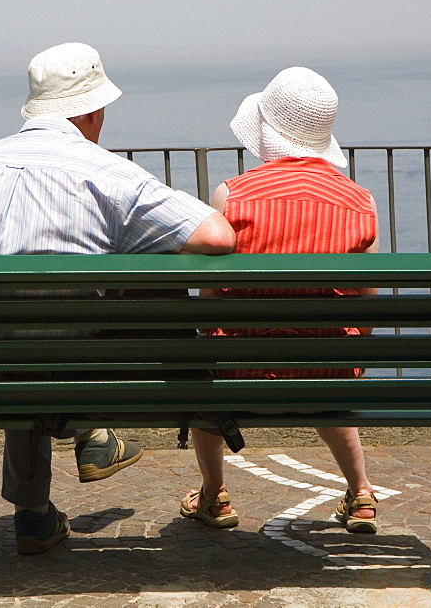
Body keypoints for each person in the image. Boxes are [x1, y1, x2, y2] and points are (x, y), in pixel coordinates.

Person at [0, 42, 235, 554]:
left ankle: (34, 511)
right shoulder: (106, 171)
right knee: (93, 299)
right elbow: (217, 237)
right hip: (56, 357)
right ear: (93, 111)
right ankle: (90, 428)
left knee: (19, 322)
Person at [180, 66, 380, 534]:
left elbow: (211, 299)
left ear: (267, 134)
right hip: (326, 369)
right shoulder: (360, 202)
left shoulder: (234, 195)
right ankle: (362, 492)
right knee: (327, 355)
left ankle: (214, 496)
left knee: (205, 372)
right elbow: (366, 303)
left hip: (241, 369)